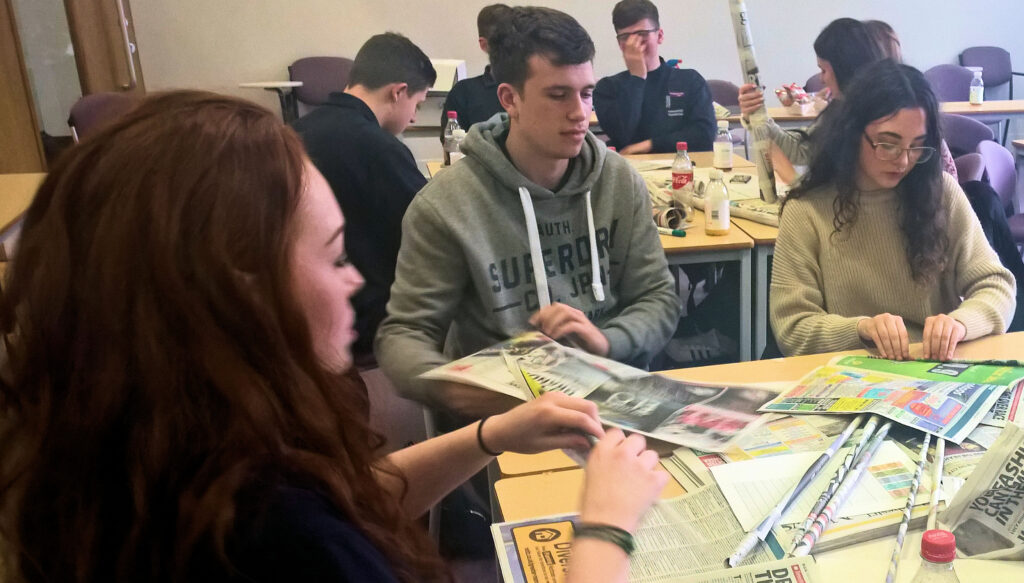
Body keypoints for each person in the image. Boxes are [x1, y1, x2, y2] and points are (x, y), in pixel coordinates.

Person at [0, 91, 669, 582]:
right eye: (336, 255)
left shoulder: (163, 453)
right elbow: (318, 523)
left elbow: (345, 498)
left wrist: (488, 436)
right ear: (238, 291)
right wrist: (606, 526)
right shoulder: (275, 540)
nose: (354, 280)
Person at [376, 6, 680, 418]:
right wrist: (453, 389)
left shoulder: (618, 180)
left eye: (586, 93)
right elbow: (405, 334)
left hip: (610, 399)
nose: (580, 113)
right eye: (558, 95)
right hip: (505, 416)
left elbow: (658, 297)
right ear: (510, 99)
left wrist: (607, 341)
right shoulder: (446, 204)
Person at [770, 60, 1016, 360]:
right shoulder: (806, 210)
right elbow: (792, 327)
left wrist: (960, 324)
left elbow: (996, 285)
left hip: (934, 366)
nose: (903, 161)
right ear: (852, 133)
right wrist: (861, 329)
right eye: (888, 144)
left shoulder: (941, 193)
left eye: (917, 146)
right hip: (852, 370)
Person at [292, 33, 434, 364]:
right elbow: (430, 232)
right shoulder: (381, 149)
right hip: (368, 316)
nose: (414, 117)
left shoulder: (293, 133)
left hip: (303, 308)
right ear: (398, 92)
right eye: (418, 104)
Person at [738, 18, 958, 181]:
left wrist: (783, 166)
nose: (822, 79)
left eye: (824, 70)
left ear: (844, 70)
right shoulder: (841, 111)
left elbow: (820, 192)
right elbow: (803, 149)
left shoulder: (886, 116)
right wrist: (757, 116)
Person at [593, 0, 715, 153]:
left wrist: (648, 145)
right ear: (619, 43)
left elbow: (704, 135)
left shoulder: (690, 80)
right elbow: (621, 135)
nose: (634, 44)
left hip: (681, 164)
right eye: (625, 37)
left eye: (642, 34)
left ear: (660, 36)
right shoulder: (607, 88)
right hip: (631, 166)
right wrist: (637, 77)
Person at [438, 3, 511, 140]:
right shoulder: (463, 93)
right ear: (484, 45)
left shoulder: (532, 88)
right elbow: (452, 145)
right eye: (503, 42)